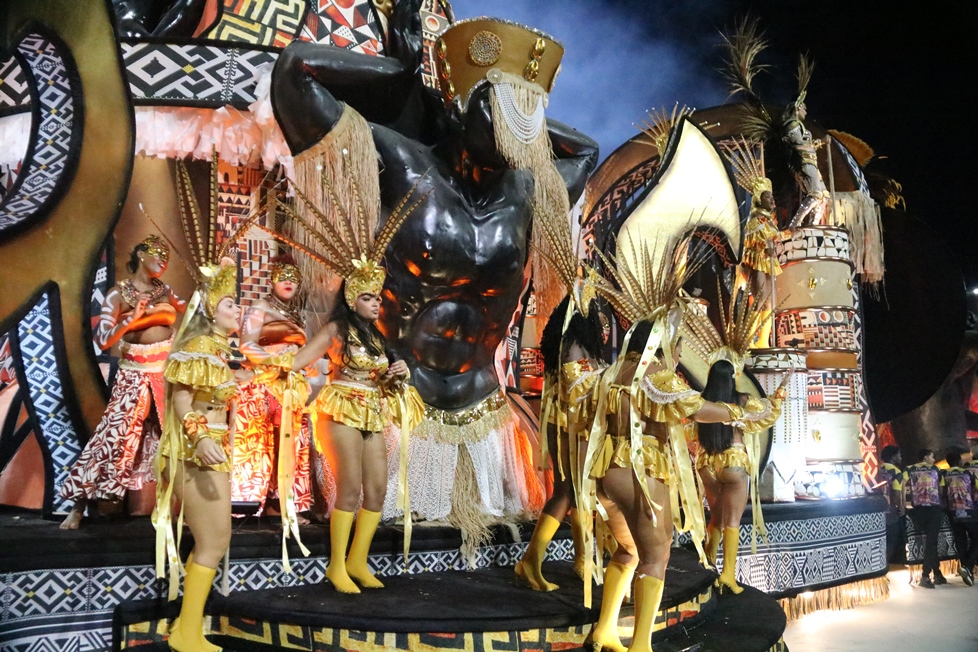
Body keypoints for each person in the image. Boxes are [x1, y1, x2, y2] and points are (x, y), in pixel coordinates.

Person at [271, 7, 598, 544]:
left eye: (527, 117)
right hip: (397, 404)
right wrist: (404, 77)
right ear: (460, 106)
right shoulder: (402, 163)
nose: (516, 129)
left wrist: (520, 101)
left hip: (484, 411)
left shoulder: (529, 191)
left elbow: (587, 150)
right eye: (501, 110)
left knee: (476, 565)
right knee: (382, 540)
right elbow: (294, 71)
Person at [60, 235, 186, 528]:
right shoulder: (117, 294)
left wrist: (210, 285)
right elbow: (103, 340)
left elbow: (188, 308)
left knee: (173, 437)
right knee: (113, 436)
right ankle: (79, 507)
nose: (163, 261)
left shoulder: (165, 290)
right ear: (141, 254)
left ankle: (177, 510)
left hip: (164, 371)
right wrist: (132, 319)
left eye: (167, 256)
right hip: (133, 372)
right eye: (157, 254)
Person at [154, 258, 241, 652]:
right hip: (193, 452)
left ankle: (188, 630)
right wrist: (201, 437)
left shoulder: (217, 350)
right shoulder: (199, 347)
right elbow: (182, 401)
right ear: (210, 310)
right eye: (230, 304)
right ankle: (186, 633)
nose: (237, 309)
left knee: (213, 541)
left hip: (208, 451)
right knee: (214, 540)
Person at [515, 294, 605, 591]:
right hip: (571, 426)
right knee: (567, 493)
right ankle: (531, 561)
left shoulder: (573, 344)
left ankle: (582, 560)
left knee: (578, 494)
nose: (602, 321)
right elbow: (579, 388)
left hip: (570, 424)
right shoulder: (573, 345)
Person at [233, 255, 313, 558]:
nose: (289, 281)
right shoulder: (260, 308)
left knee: (290, 445)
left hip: (292, 385)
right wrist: (277, 361)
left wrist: (300, 365)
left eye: (293, 277)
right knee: (262, 444)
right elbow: (246, 345)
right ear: (271, 280)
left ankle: (285, 505)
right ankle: (253, 503)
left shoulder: (297, 315)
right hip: (263, 382)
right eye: (283, 276)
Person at [697, 359, 789, 593]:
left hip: (707, 464)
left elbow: (690, 429)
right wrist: (780, 391)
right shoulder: (742, 400)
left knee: (715, 519)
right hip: (734, 463)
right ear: (733, 377)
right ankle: (727, 575)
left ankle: (708, 570)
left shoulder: (702, 401)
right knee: (732, 522)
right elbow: (767, 414)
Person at [906, 448, 947, 588]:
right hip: (934, 509)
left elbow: (900, 486)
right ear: (925, 457)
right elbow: (941, 490)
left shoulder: (909, 469)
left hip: (918, 510)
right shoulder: (936, 469)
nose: (934, 460)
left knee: (931, 542)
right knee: (931, 542)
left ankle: (938, 573)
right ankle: (925, 576)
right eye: (932, 457)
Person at [944, 449, 978, 586]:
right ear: (959, 461)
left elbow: (941, 492)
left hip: (952, 512)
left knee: (960, 541)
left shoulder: (944, 474)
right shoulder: (967, 473)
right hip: (968, 511)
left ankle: (967, 571)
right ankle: (968, 566)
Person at [879, 445, 908, 563]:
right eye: (899, 455)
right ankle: (884, 565)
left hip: (879, 510)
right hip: (891, 512)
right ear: (893, 457)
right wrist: (901, 507)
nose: (900, 457)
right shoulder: (896, 472)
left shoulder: (878, 470)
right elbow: (896, 493)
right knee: (892, 541)